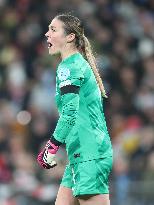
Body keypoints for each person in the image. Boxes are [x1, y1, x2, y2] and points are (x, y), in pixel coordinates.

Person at [37, 13, 113, 205]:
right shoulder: (74, 64)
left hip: (89, 155)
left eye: (53, 30)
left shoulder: (69, 68)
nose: (47, 34)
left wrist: (51, 147)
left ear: (70, 37)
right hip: (81, 154)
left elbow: (69, 114)